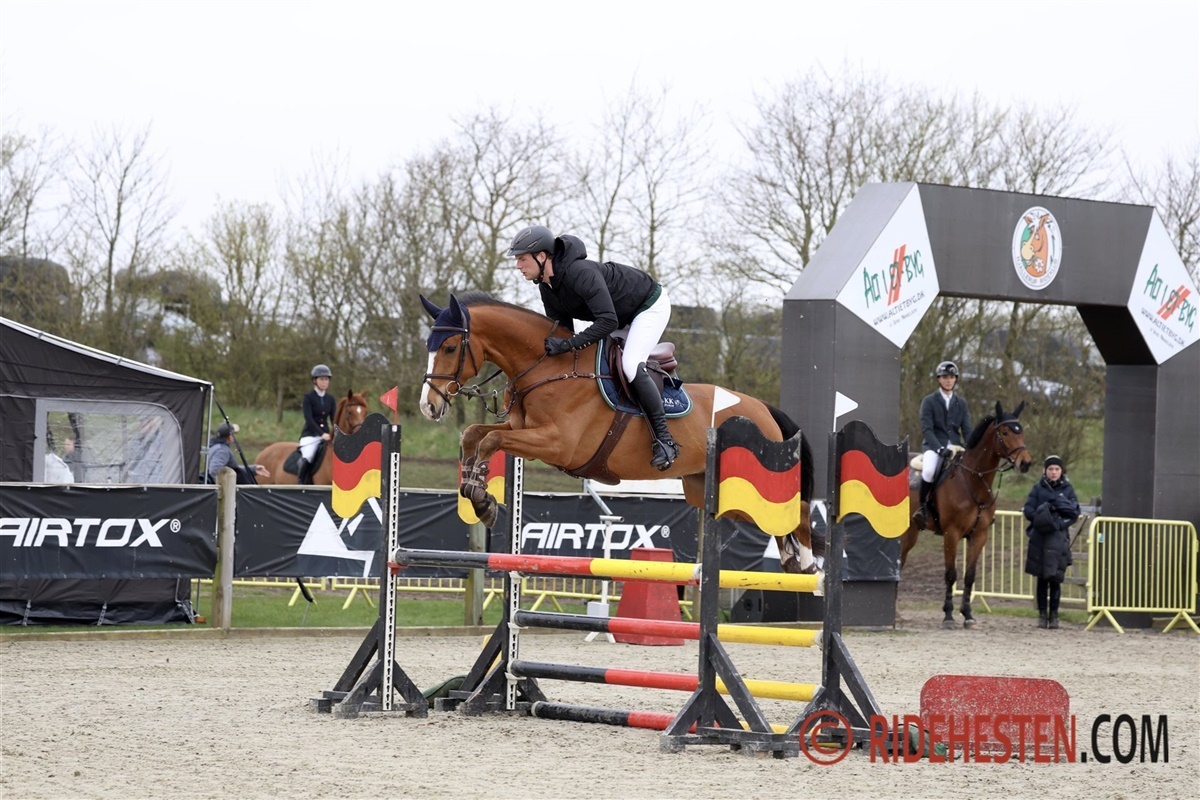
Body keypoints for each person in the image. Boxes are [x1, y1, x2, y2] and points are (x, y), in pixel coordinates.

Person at [507, 225, 678, 470]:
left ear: (541, 256)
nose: (518, 265)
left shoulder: (580, 273)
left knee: (630, 365)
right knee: (595, 364)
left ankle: (665, 441)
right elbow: (563, 332)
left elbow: (606, 322)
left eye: (522, 259)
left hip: (648, 306)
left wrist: (568, 344)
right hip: (619, 316)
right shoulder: (547, 287)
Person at [911, 360, 972, 530]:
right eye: (945, 377)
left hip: (957, 447)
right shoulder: (929, 401)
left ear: (955, 379)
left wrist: (972, 447)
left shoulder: (961, 403)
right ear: (939, 379)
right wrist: (939, 448)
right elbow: (927, 429)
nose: (948, 380)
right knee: (929, 471)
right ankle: (922, 509)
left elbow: (967, 430)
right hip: (934, 447)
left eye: (951, 377)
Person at [1023, 455, 1080, 629]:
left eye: (1057, 469)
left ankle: (1054, 616)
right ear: (1045, 471)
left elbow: (1074, 513)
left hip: (1058, 539)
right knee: (1042, 578)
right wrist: (1044, 518)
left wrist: (1059, 524)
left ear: (1061, 471)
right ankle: (1042, 615)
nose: (1053, 472)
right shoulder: (1037, 488)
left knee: (1056, 578)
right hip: (1040, 538)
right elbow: (1029, 511)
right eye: (1050, 469)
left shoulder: (1068, 489)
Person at [298, 364, 337, 484]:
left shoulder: (330, 399)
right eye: (321, 379)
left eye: (326, 379)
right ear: (315, 380)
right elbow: (309, 419)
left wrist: (335, 433)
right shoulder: (308, 397)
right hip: (310, 435)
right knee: (308, 455)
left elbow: (334, 419)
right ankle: (302, 482)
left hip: (327, 435)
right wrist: (321, 434)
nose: (324, 382)